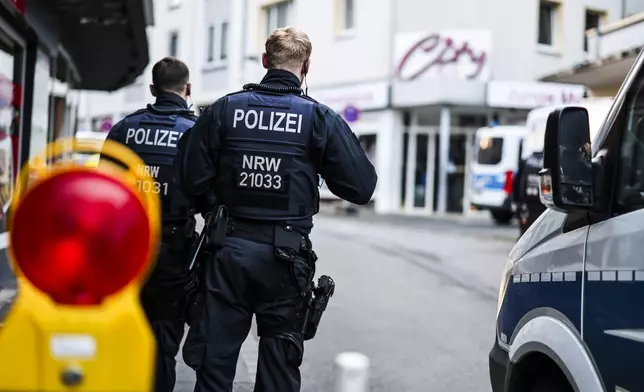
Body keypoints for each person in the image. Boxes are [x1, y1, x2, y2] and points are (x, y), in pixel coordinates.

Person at [176, 27, 378, 392]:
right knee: (278, 373)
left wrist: (216, 209)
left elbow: (189, 178)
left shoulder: (224, 109)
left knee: (214, 367)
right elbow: (362, 188)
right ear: (306, 67)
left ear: (265, 61)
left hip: (227, 255)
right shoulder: (318, 119)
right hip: (285, 259)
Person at [99, 56, 198, 392]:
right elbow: (210, 196)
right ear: (187, 88)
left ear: (153, 89)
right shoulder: (195, 133)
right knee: (162, 345)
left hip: (124, 250)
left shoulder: (124, 129)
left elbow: (103, 189)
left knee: (120, 335)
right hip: (174, 252)